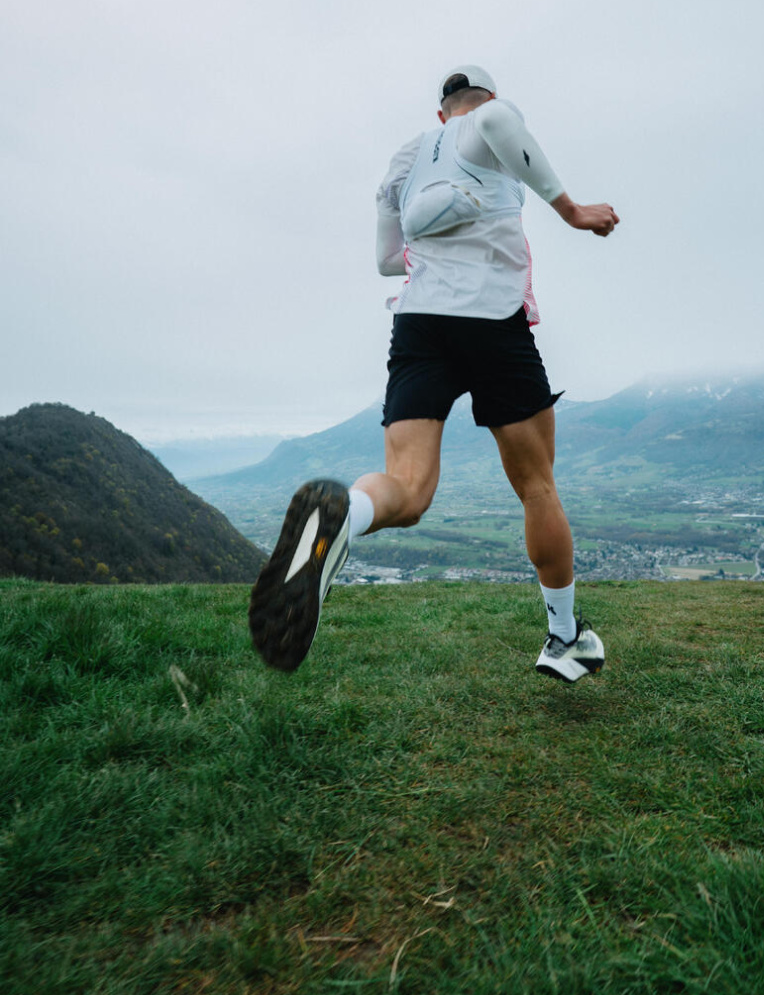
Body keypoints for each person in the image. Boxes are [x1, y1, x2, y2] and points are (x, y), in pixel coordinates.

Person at [249, 65, 619, 682]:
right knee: (537, 486)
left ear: (439, 113)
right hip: (492, 319)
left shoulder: (409, 156)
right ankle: (564, 638)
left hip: (419, 323)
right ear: (481, 102)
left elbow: (388, 260)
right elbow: (499, 123)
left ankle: (348, 514)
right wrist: (572, 210)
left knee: (408, 487)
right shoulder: (490, 122)